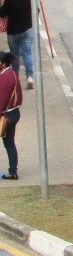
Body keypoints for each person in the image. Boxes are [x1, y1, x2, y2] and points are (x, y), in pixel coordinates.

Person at [0, 0, 33, 90]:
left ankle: (16, 78)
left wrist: (2, 0)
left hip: (13, 32)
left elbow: (2, 13)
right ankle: (29, 77)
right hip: (27, 30)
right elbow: (36, 11)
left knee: (15, 55)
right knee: (27, 53)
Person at [0, 51, 22, 180]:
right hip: (13, 113)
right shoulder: (11, 73)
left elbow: (1, 100)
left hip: (6, 116)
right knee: (9, 143)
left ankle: (13, 171)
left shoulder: (5, 77)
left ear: (3, 63)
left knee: (8, 143)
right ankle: (13, 171)